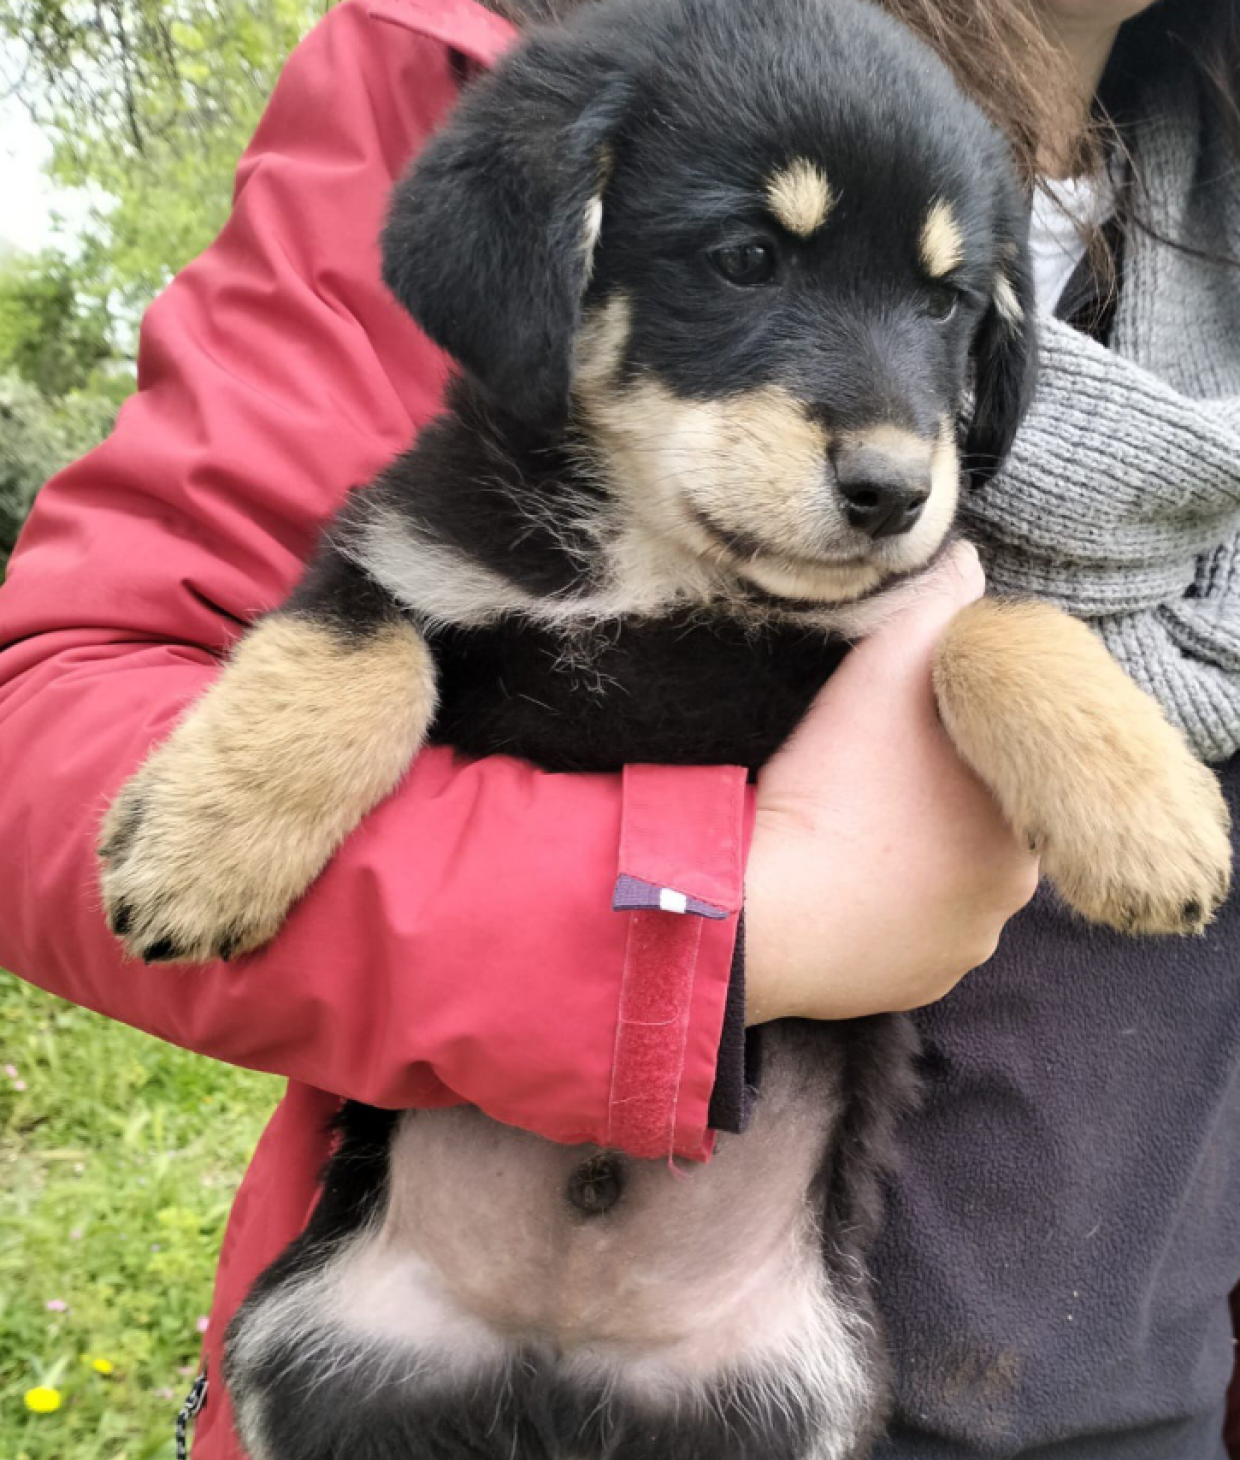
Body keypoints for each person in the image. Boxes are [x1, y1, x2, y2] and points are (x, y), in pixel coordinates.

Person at [0, 0, 1235, 1454]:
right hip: (409, 1303)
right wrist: (725, 921)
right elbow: (84, 705)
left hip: (928, 1366)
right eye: (745, 262)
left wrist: (1031, 683)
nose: (895, 447)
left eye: (940, 310)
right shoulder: (514, 66)